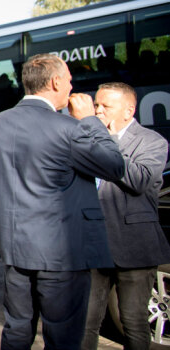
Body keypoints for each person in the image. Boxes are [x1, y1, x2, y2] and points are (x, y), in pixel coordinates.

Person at [0, 53, 125, 349]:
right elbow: (114, 166)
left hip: (13, 247)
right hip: (60, 255)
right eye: (70, 81)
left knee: (17, 331)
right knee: (63, 338)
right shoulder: (69, 128)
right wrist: (91, 121)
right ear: (56, 82)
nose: (72, 87)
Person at [82, 82, 170, 350]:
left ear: (128, 111)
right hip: (93, 246)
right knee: (85, 323)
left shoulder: (152, 141)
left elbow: (139, 180)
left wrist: (103, 141)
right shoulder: (88, 142)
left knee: (133, 322)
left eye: (105, 106)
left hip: (135, 246)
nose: (98, 111)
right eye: (96, 105)